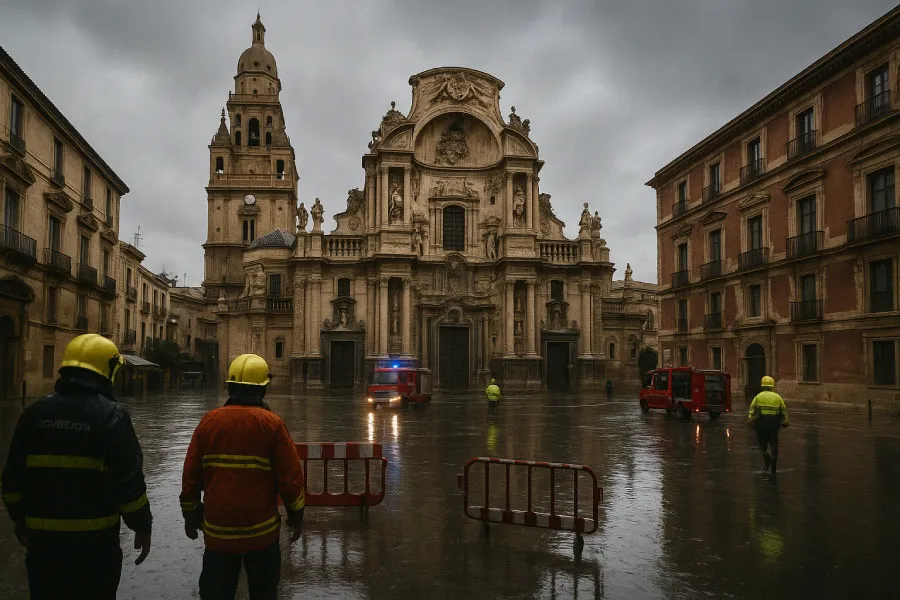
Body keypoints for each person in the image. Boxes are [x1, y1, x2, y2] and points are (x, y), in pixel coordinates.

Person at [1, 334, 152, 600]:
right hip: (95, 545)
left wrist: (21, 522)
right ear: (107, 370)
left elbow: (12, 480)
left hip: (42, 545)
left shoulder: (33, 413)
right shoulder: (113, 416)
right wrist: (142, 525)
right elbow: (129, 483)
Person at [181, 353, 306, 600]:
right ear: (263, 389)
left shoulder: (208, 422)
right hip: (262, 535)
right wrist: (297, 516)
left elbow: (190, 475)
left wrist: (191, 514)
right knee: (264, 592)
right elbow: (290, 477)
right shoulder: (272, 424)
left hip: (218, 534)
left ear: (229, 387)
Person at [748, 375, 790, 474]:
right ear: (772, 386)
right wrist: (785, 421)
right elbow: (783, 411)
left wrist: (752, 421)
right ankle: (774, 461)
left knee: (762, 444)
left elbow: (752, 410)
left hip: (761, 423)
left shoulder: (758, 397)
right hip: (774, 424)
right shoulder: (777, 397)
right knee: (774, 443)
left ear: (762, 386)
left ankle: (766, 455)